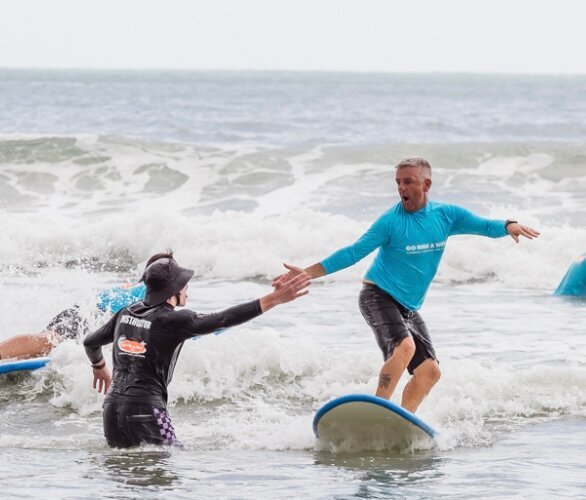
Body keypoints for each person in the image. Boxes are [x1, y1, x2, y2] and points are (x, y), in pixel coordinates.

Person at [274, 157, 540, 414]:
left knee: (429, 372)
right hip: (377, 295)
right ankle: (379, 408)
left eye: (409, 181)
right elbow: (354, 252)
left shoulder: (446, 215)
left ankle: (402, 420)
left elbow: (483, 226)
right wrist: (307, 273)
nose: (402, 188)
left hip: (408, 307)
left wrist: (509, 225)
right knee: (405, 347)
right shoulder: (391, 221)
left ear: (426, 185)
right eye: (398, 182)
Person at [83, 255, 310, 448]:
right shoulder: (173, 319)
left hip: (111, 411)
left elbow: (90, 342)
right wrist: (274, 299)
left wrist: (99, 367)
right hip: (146, 410)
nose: (187, 289)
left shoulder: (126, 313)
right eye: (184, 284)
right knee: (167, 469)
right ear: (174, 290)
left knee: (125, 480)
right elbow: (222, 319)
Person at [0, 251, 171, 361]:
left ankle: (10, 362)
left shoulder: (134, 288)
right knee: (46, 341)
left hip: (79, 312)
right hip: (88, 319)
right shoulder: (150, 292)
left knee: (41, 348)